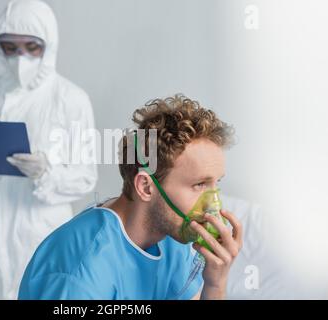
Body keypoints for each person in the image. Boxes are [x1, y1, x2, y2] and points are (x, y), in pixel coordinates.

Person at [18, 94, 243, 300]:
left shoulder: (175, 238)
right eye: (199, 185)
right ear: (146, 186)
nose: (213, 205)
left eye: (216, 184)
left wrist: (215, 284)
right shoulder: (81, 272)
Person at [0, 0, 98, 299]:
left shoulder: (70, 99)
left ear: (48, 44)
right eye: (10, 47)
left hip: (40, 235)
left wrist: (47, 173)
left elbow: (86, 177)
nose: (20, 57)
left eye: (31, 47)